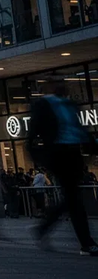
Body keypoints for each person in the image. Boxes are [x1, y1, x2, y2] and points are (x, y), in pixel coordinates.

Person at [28, 76, 98, 256]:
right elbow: (33, 131)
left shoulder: (70, 105)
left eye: (63, 82)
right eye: (57, 83)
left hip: (74, 153)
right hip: (58, 153)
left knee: (72, 197)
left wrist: (91, 146)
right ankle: (86, 242)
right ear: (49, 86)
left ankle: (45, 226)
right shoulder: (43, 105)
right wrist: (38, 157)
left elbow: (80, 128)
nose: (62, 86)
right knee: (74, 198)